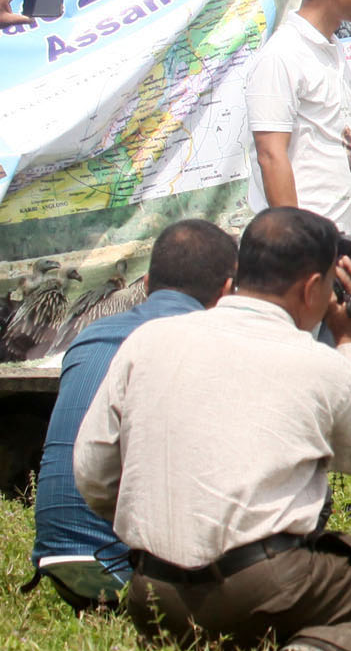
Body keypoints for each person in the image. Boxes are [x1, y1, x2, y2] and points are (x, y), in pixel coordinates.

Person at [74, 208, 351, 651]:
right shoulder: (317, 363)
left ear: (240, 270)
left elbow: (92, 473)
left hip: (154, 600)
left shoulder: (147, 342)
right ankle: (325, 646)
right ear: (313, 286)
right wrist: (348, 340)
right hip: (262, 591)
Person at [30, 220, 239, 609]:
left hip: (58, 562)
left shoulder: (90, 334)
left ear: (144, 283)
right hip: (134, 572)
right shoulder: (202, 342)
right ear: (227, 292)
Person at [247, 0, 351, 234]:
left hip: (336, 237)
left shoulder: (335, 49)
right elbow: (270, 154)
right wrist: (298, 247)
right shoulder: (282, 55)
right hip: (305, 247)